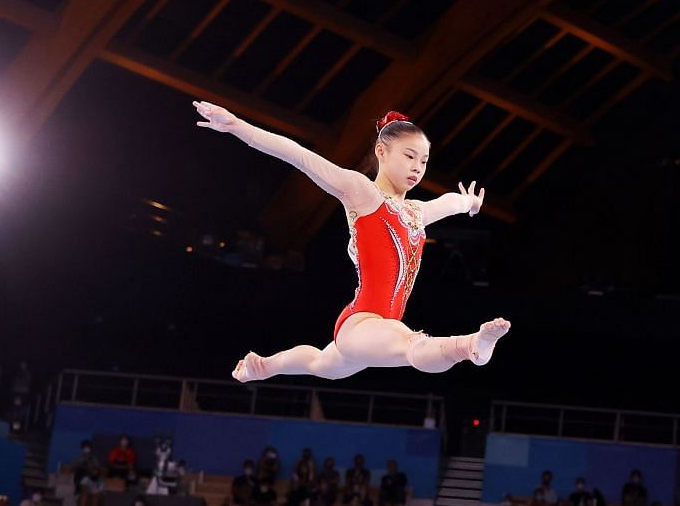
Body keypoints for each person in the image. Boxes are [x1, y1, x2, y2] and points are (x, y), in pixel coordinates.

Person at [192, 103, 510, 380]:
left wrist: (469, 203)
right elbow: (298, 155)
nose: (417, 167)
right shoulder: (362, 192)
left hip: (374, 329)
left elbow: (449, 202)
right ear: (381, 151)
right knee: (412, 346)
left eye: (424, 161)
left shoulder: (416, 212)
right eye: (410, 156)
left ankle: (262, 367)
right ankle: (472, 346)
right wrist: (235, 126)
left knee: (320, 364)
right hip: (362, 324)